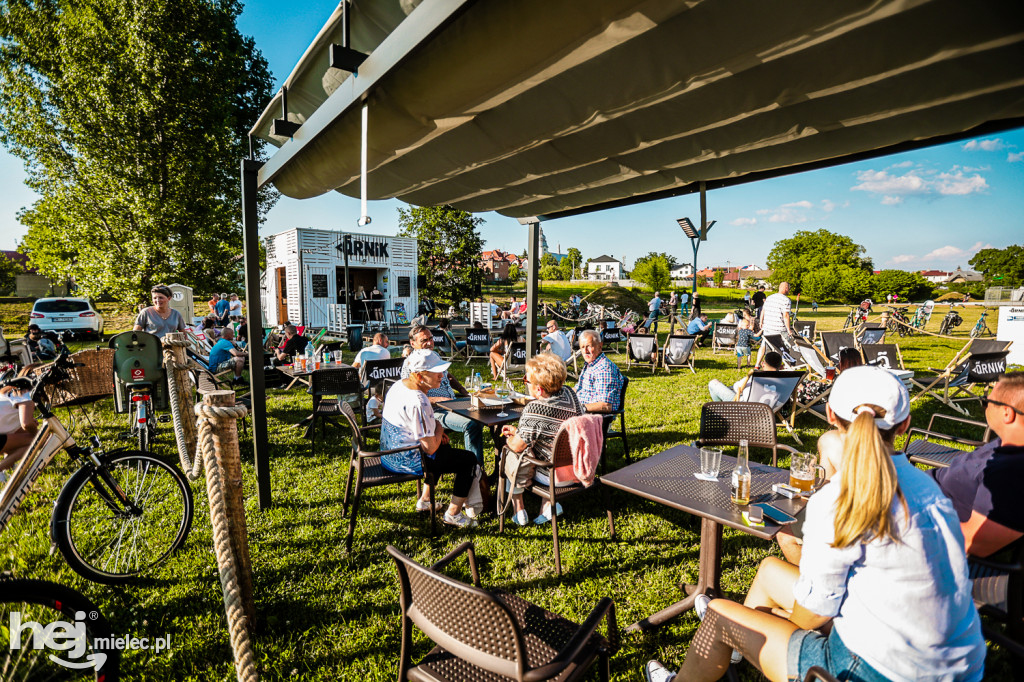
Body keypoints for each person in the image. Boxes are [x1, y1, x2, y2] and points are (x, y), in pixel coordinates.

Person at [646, 366, 986, 682]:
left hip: (875, 670)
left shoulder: (837, 499)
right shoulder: (930, 487)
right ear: (905, 424)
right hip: (961, 665)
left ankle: (706, 657)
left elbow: (812, 614)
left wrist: (775, 621)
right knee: (768, 570)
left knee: (721, 614)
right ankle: (736, 650)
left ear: (830, 417)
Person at [380, 350, 479, 528]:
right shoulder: (419, 401)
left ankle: (425, 500)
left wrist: (435, 434)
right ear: (419, 376)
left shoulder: (399, 386)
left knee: (444, 449)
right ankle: (453, 515)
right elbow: (430, 449)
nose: (442, 376)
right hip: (405, 460)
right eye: (437, 372)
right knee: (468, 460)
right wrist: (439, 429)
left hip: (389, 453)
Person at [931, 373, 1024, 560]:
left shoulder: (1011, 473)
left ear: (1007, 413)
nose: (985, 407)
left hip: (922, 527)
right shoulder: (1008, 445)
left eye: (986, 402)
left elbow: (973, 542)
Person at [501, 353, 585, 526]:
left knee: (510, 454)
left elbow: (517, 446)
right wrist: (521, 431)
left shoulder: (536, 408)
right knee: (535, 447)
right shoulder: (570, 394)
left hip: (552, 472)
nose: (526, 384)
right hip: (577, 467)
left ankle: (519, 510)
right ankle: (547, 507)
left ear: (539, 389)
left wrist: (510, 439)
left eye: (527, 381)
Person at [401, 325, 483, 467]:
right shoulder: (410, 364)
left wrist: (463, 390)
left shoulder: (435, 356)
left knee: (484, 407)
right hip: (435, 411)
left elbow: (447, 376)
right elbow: (410, 396)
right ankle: (477, 471)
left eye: (431, 338)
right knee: (472, 424)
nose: (429, 342)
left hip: (452, 402)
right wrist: (438, 400)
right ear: (413, 344)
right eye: (424, 340)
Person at [0, 366, 39, 477]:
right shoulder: (26, 393)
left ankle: (7, 467)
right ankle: (2, 468)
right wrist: (38, 434)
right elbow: (26, 424)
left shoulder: (9, 390)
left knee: (22, 433)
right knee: (36, 441)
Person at [573, 329, 624, 412]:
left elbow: (605, 405)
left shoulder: (604, 369)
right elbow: (577, 388)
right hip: (581, 411)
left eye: (589, 346)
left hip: (594, 417)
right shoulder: (591, 364)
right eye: (582, 347)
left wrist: (577, 409)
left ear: (600, 346)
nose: (585, 351)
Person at [707, 352, 783, 402]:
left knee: (713, 383)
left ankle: (721, 411)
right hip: (769, 410)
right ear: (781, 367)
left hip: (744, 408)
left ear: (763, 364)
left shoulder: (756, 375)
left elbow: (737, 387)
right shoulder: (785, 379)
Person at [755, 282, 794, 368]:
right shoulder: (786, 300)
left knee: (764, 345)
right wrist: (789, 329)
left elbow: (763, 311)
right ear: (786, 288)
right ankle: (784, 364)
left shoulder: (769, 298)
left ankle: (757, 364)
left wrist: (761, 322)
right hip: (779, 328)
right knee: (785, 346)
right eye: (789, 289)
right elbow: (786, 316)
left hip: (768, 327)